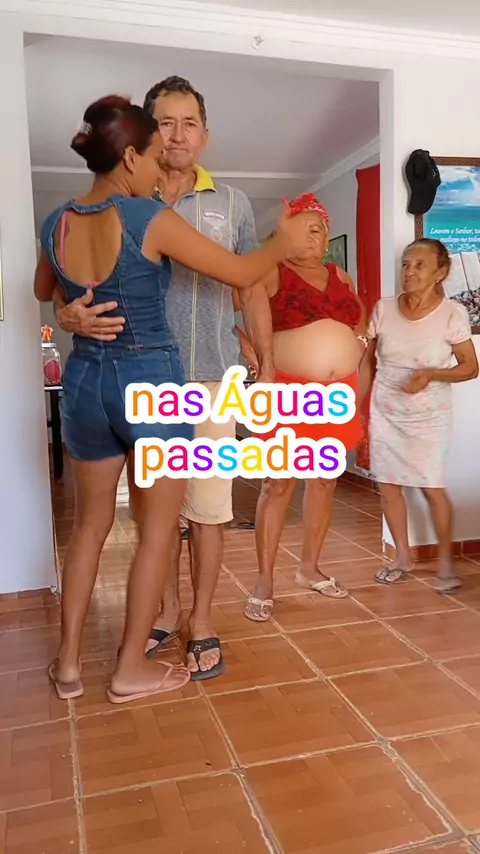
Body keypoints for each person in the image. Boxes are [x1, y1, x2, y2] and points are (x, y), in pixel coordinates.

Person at [35, 94, 311, 703]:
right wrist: (282, 240)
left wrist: (69, 311)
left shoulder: (56, 218)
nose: (165, 157)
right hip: (151, 381)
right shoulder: (147, 215)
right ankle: (129, 668)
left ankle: (68, 665)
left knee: (89, 527)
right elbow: (242, 274)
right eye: (157, 145)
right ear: (133, 155)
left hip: (86, 381)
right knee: (159, 530)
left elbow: (42, 288)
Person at [240, 194, 368, 622]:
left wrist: (357, 350)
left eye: (317, 229)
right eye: (300, 228)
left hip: (337, 395)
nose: (309, 236)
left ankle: (309, 568)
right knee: (278, 483)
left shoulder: (340, 275)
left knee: (325, 480)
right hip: (288, 392)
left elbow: (359, 322)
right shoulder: (271, 271)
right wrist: (255, 356)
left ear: (327, 239)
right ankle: (264, 581)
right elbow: (226, 311)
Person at [358, 238, 478, 592]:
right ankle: (402, 557)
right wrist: (356, 408)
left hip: (429, 414)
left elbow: (470, 367)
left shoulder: (452, 313)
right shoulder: (383, 308)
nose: (409, 272)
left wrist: (431, 374)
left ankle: (445, 563)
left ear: (440, 272)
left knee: (431, 487)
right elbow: (367, 363)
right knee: (388, 487)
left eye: (420, 265)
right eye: (406, 265)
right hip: (386, 409)